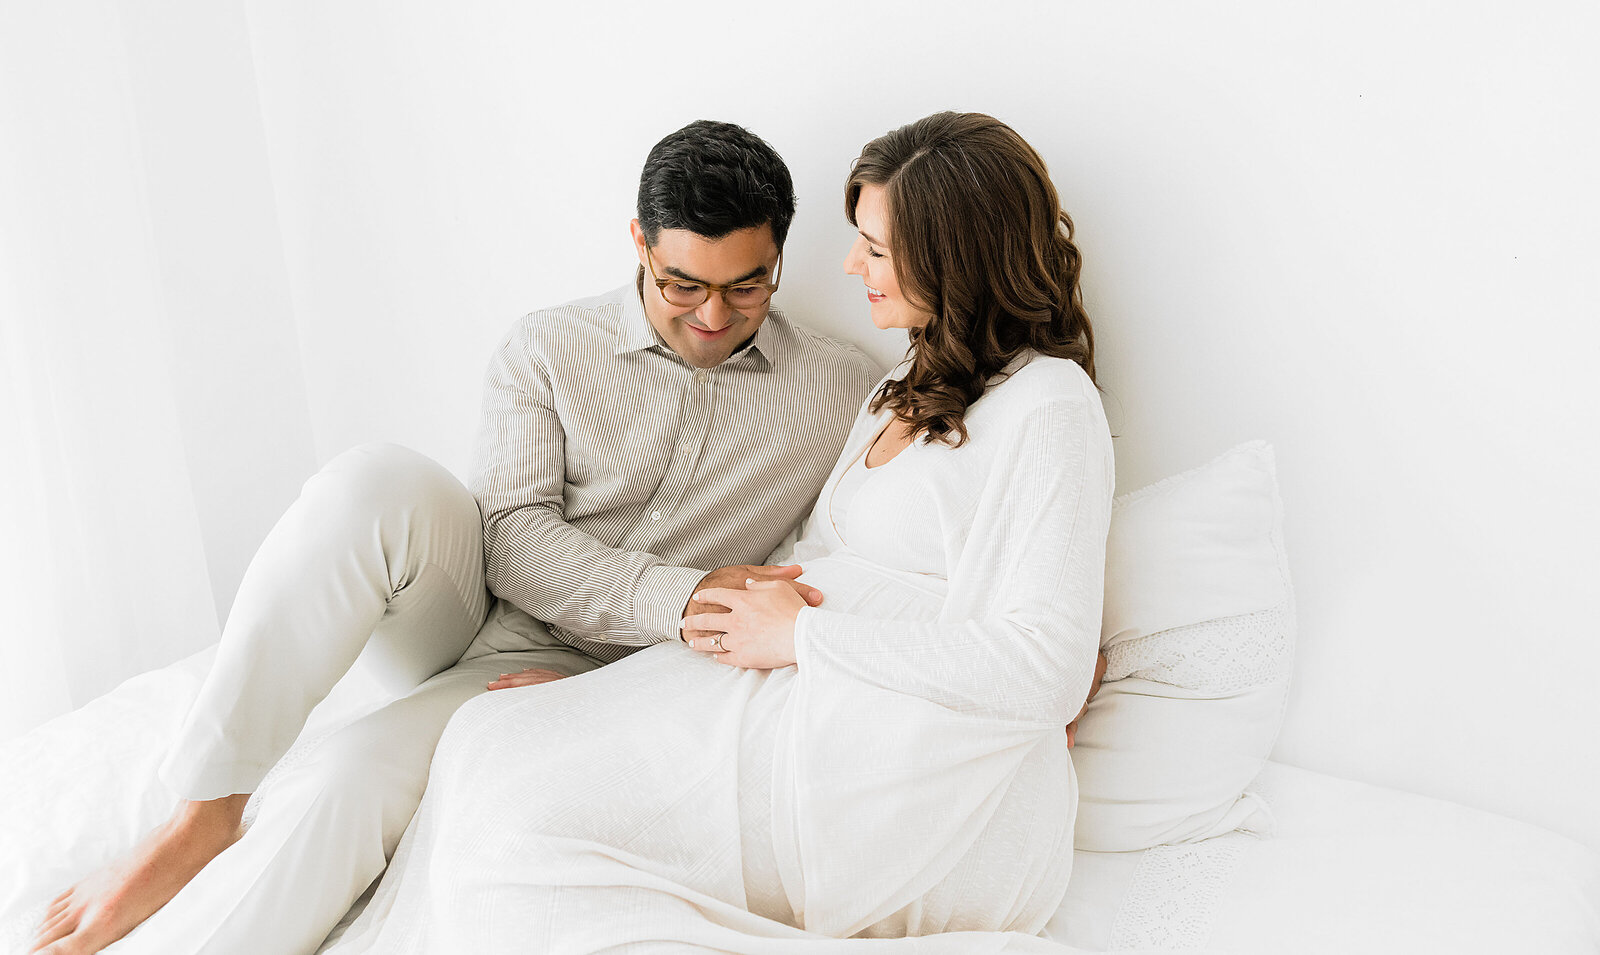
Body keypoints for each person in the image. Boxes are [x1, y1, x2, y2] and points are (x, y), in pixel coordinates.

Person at [30, 121, 883, 955]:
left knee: (349, 776)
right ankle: (203, 811)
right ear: (639, 243)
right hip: (475, 607)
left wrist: (629, 678)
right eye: (681, 284)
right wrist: (683, 596)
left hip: (583, 672)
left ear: (778, 257)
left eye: (746, 286)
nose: (712, 314)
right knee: (369, 483)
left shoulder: (841, 390)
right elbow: (511, 537)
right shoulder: (550, 345)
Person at [333, 111, 1114, 952]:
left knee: (521, 836)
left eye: (877, 249)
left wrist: (809, 637)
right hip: (791, 699)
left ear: (954, 258)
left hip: (887, 767)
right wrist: (605, 697)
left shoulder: (1050, 405)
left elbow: (1047, 666)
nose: (851, 264)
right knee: (489, 743)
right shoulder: (903, 384)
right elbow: (783, 580)